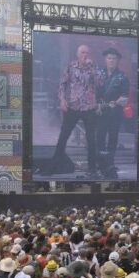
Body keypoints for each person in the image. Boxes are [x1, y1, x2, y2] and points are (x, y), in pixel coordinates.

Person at [47, 44, 104, 178]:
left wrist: (94, 67)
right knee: (64, 136)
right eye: (83, 53)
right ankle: (54, 165)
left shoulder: (93, 68)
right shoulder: (71, 67)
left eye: (87, 53)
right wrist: (62, 100)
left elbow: (100, 83)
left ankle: (92, 168)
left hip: (89, 107)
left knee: (91, 139)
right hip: (73, 106)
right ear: (78, 55)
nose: (85, 55)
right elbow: (62, 84)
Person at [96, 47, 129, 170]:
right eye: (109, 58)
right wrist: (97, 104)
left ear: (118, 60)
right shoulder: (99, 74)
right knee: (99, 137)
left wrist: (115, 102)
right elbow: (93, 92)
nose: (111, 60)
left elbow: (125, 97)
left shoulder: (122, 77)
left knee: (113, 137)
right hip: (100, 111)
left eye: (114, 58)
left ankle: (110, 163)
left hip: (115, 113)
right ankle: (101, 163)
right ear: (105, 59)